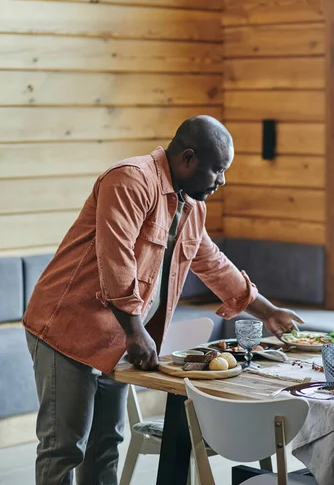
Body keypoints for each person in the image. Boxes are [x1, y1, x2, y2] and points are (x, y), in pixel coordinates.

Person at [24, 115, 303, 485]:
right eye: (217, 170)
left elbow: (212, 262)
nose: (222, 181)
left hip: (117, 338)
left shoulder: (192, 204)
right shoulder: (129, 179)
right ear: (188, 158)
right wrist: (136, 329)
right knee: (64, 448)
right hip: (66, 329)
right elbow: (116, 257)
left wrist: (267, 311)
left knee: (105, 444)